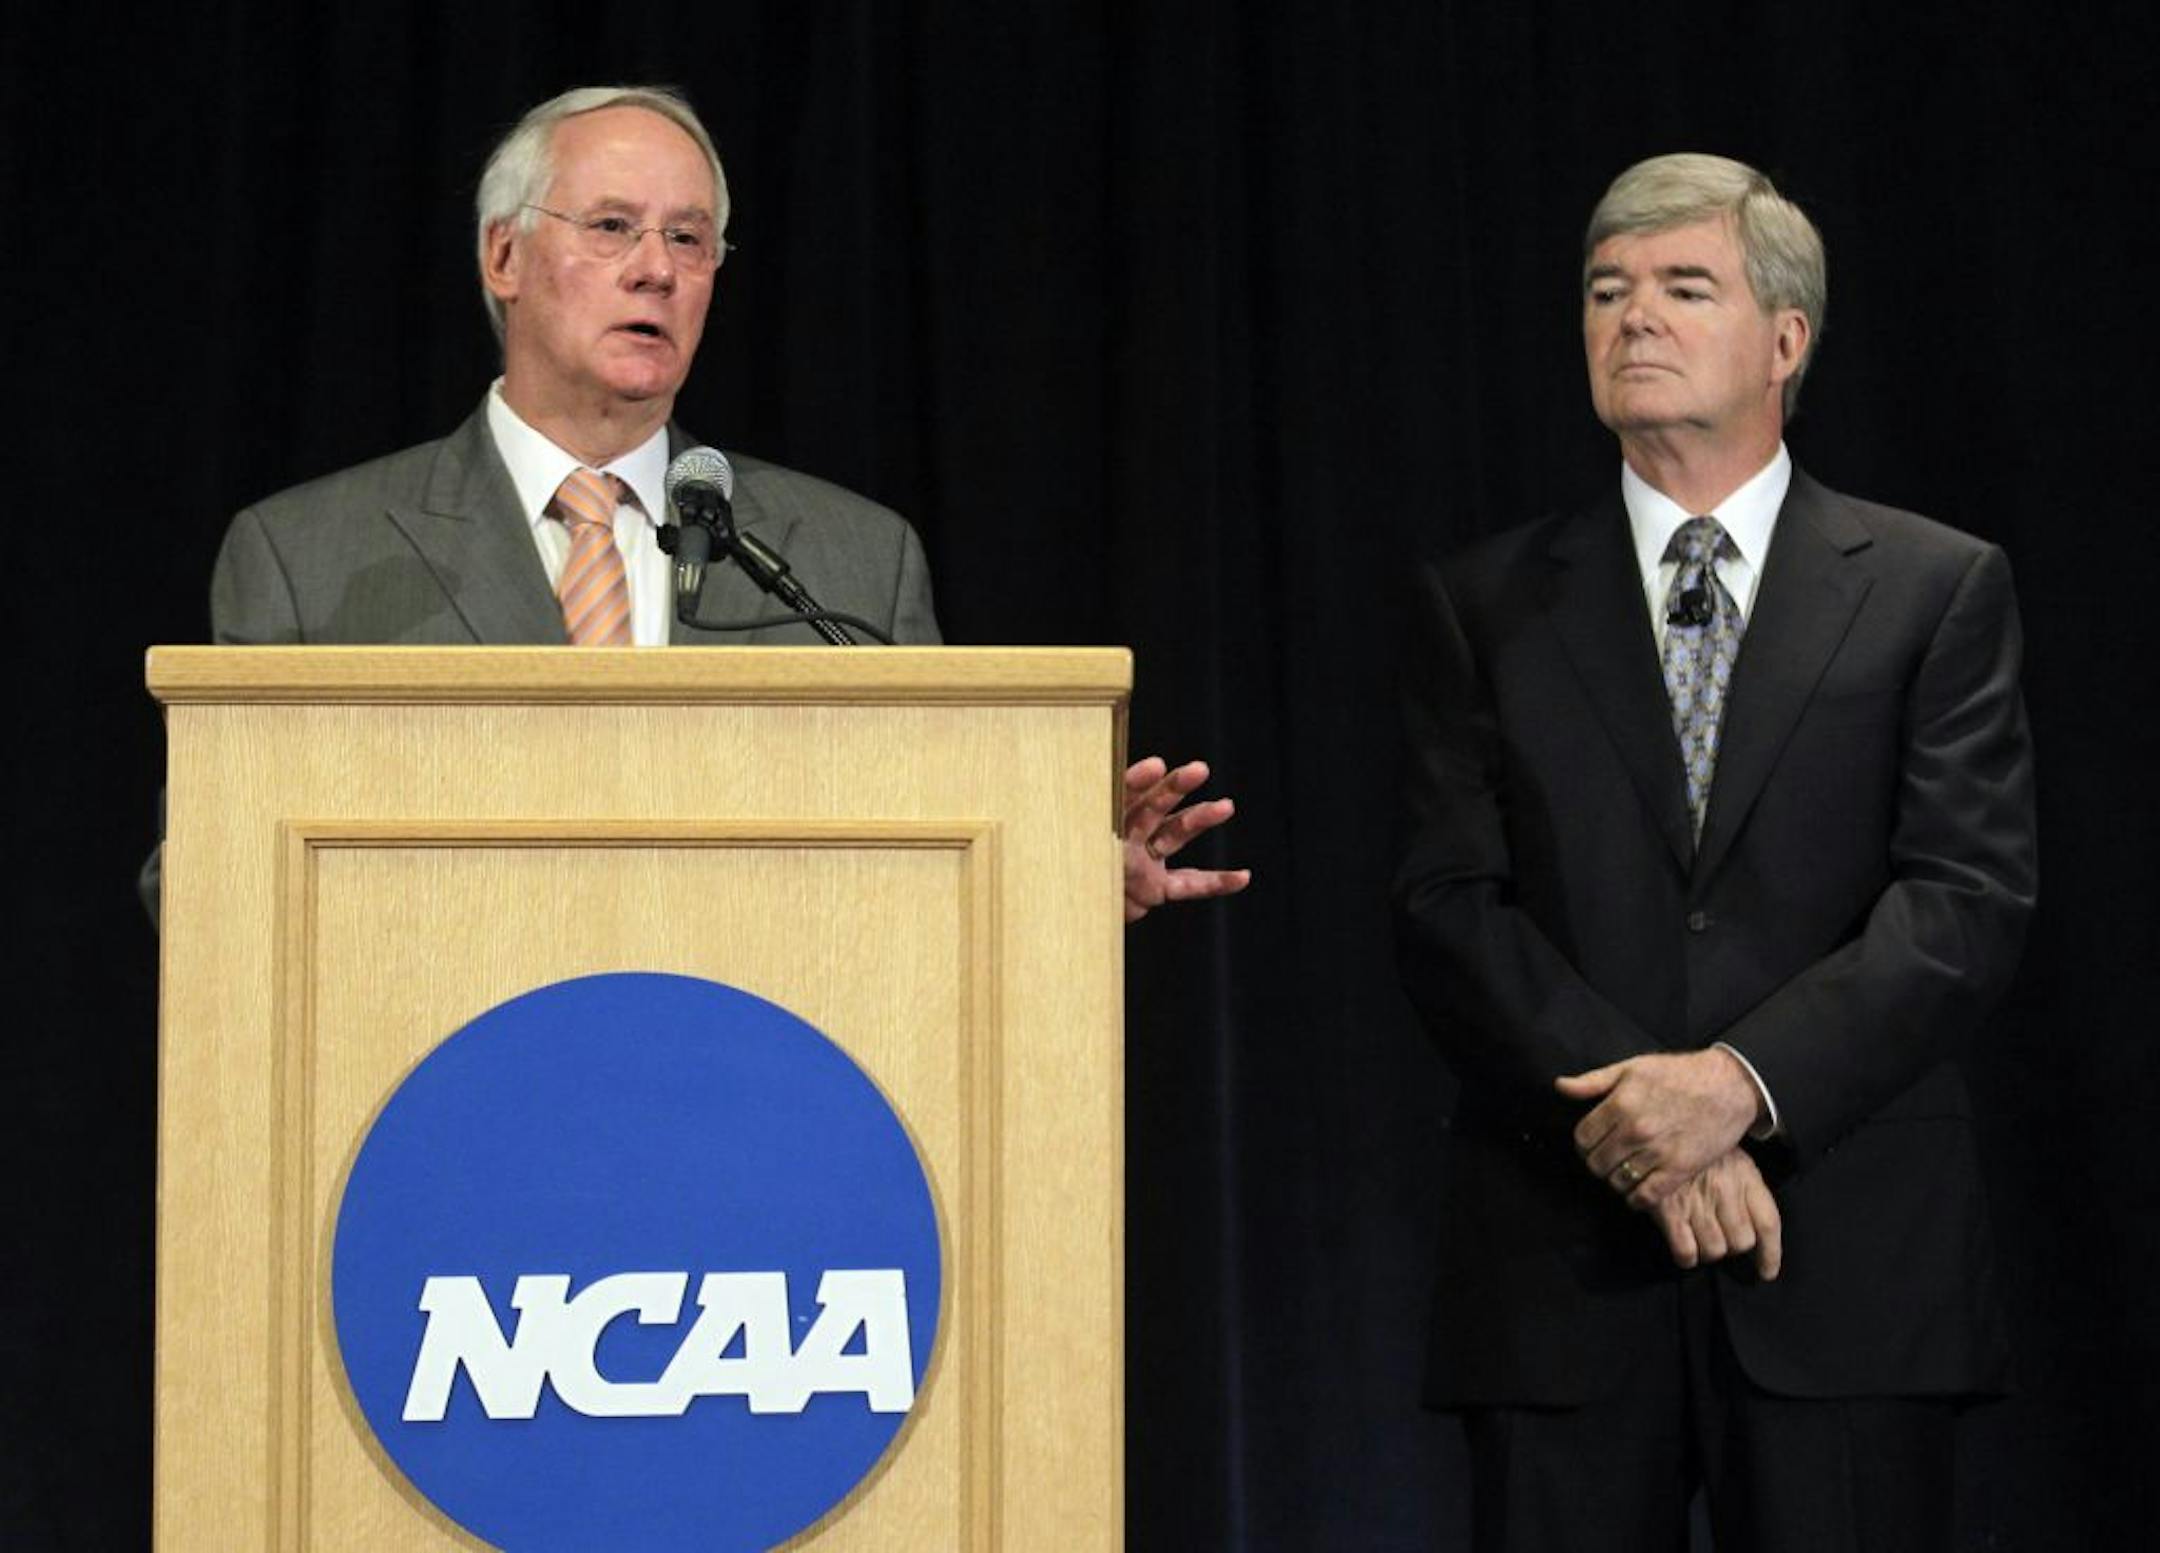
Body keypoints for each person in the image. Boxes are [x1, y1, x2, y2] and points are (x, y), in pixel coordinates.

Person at [170, 85, 1247, 922]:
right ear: (504, 254)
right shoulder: (310, 556)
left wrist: (1052, 880)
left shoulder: (850, 560)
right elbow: (198, 887)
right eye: (610, 227)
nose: (657, 270)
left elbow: (924, 854)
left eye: (689, 240)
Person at [1393, 153, 2034, 1551]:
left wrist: (1742, 1088)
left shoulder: (1935, 586)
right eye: (1607, 291)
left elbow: (1965, 901)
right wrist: (1652, 1126)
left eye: (1686, 287)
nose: (1635, 317)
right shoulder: (1484, 601)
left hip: (1845, 1263)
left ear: (1786, 340)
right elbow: (1450, 907)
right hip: (1562, 1268)